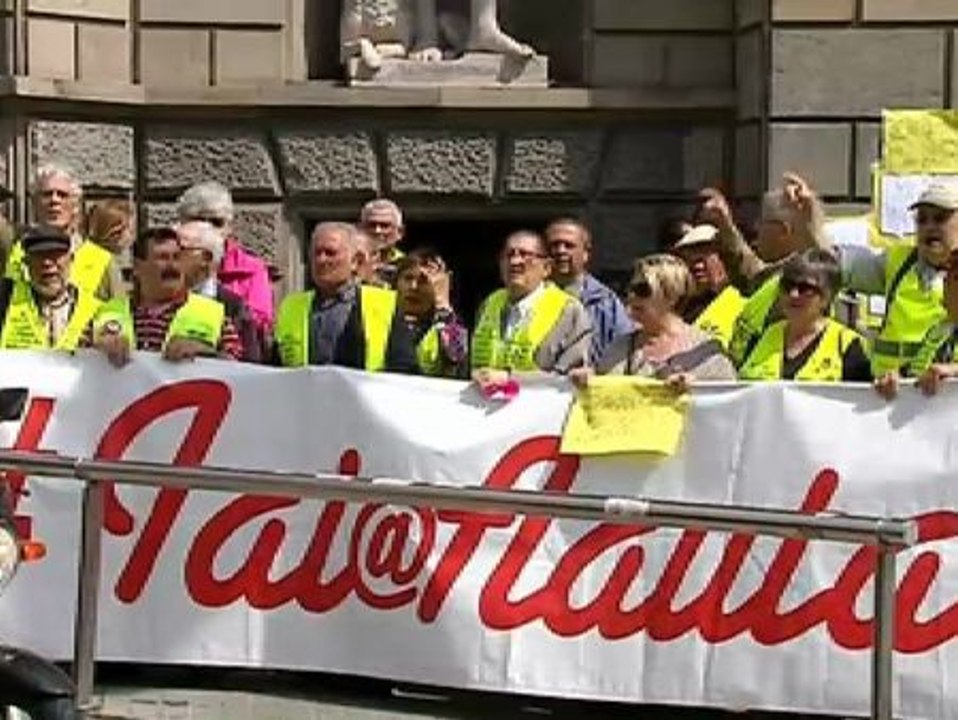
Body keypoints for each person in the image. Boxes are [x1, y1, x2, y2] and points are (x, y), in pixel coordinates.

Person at [699, 173, 832, 364]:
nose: (756, 229)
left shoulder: (804, 279)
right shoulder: (778, 275)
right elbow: (752, 275)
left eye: (762, 223)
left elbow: (823, 266)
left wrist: (807, 221)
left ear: (783, 231)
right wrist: (725, 224)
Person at [843, 181, 958, 380]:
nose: (930, 227)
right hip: (888, 397)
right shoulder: (897, 262)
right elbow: (829, 266)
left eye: (940, 219)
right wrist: (808, 221)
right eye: (922, 220)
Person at [274, 222, 418, 372]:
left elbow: (405, 367)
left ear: (355, 261)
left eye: (330, 253)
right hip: (305, 393)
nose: (321, 260)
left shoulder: (385, 303)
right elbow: (275, 368)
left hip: (363, 393)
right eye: (316, 253)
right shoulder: (291, 306)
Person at [572, 254, 735, 387]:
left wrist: (695, 390)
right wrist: (588, 380)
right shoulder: (619, 346)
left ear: (672, 295)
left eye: (642, 290)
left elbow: (724, 404)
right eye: (629, 289)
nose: (632, 296)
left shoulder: (706, 350)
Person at [91, 226, 243, 366]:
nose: (172, 266)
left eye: (176, 257)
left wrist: (204, 353)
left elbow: (240, 369)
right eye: (162, 258)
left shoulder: (212, 313)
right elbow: (77, 364)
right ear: (137, 267)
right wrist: (97, 351)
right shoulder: (105, 313)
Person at [471, 230, 591, 390]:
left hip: (539, 410)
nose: (515, 261)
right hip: (484, 407)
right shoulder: (490, 304)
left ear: (546, 268)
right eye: (509, 255)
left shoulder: (569, 311)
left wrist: (510, 378)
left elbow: (569, 379)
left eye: (525, 254)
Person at [738, 249, 870, 382]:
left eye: (805, 288)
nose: (793, 294)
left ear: (827, 297)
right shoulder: (762, 336)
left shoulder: (847, 345)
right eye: (787, 285)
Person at [6, 163, 125, 300]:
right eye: (47, 194)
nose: (54, 200)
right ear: (34, 203)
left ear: (75, 205)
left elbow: (119, 316)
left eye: (62, 195)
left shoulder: (102, 261)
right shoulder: (13, 252)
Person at [176, 181, 275, 335]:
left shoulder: (249, 267)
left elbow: (260, 324)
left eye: (217, 222)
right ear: (181, 221)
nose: (208, 228)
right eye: (198, 220)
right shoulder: (163, 261)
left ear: (229, 227)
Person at [545, 218, 632, 366]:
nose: (561, 251)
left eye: (569, 245)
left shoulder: (606, 303)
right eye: (554, 245)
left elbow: (622, 356)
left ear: (586, 253)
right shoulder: (529, 298)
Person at [0, 224, 101, 350]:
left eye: (55, 254)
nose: (47, 263)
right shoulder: (5, 299)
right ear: (26, 262)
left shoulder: (95, 309)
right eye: (39, 256)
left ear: (71, 259)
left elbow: (120, 327)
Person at [177, 220, 265, 363]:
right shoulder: (156, 297)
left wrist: (205, 353)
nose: (171, 257)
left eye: (179, 249)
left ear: (206, 258)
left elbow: (250, 365)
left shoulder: (234, 306)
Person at [395, 248, 469, 378]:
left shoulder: (448, 324)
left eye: (424, 281)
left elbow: (458, 362)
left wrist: (441, 301)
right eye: (408, 278)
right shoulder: (383, 319)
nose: (413, 287)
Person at [670, 224, 745, 351]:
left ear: (723, 259)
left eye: (702, 259)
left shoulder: (741, 301)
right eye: (689, 260)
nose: (697, 267)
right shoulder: (677, 306)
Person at [359, 198, 405, 285]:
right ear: (360, 229)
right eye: (371, 225)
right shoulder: (347, 262)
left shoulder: (408, 265)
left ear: (400, 232)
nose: (377, 231)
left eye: (385, 226)